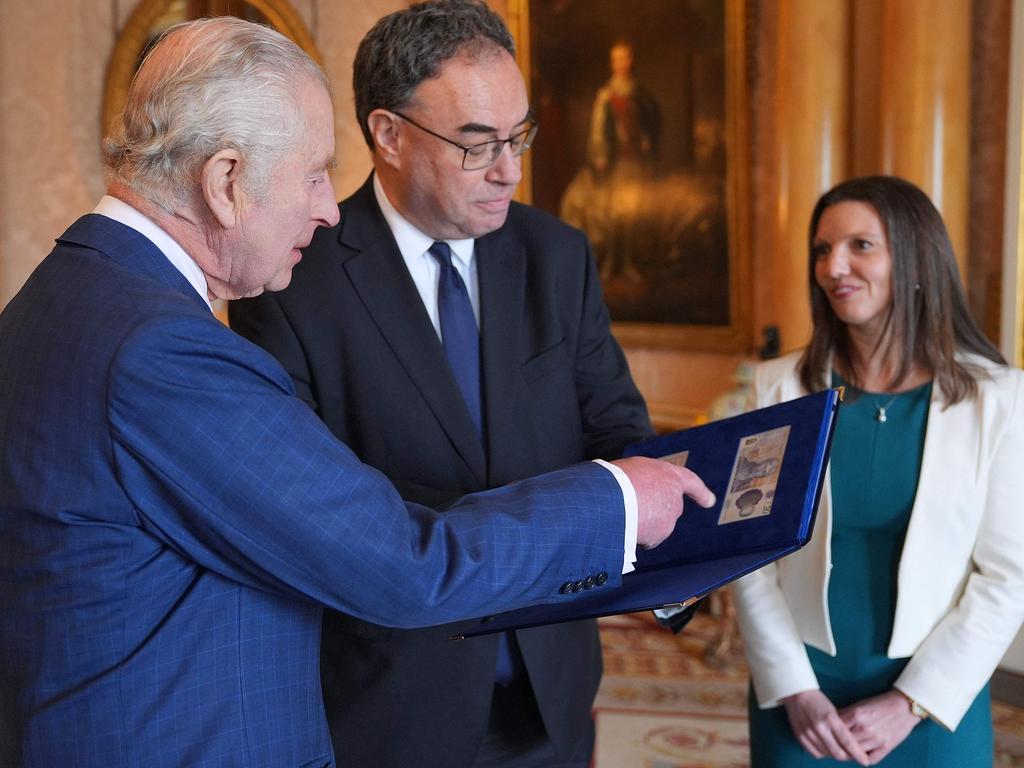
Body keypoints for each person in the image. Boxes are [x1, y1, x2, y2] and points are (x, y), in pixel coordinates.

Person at [0, 17, 718, 768]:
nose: (327, 205)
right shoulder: (163, 352)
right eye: (313, 174)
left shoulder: (67, 294)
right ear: (225, 181)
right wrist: (618, 501)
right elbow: (400, 562)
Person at [229, 3, 658, 767]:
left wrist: (680, 548)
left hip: (552, 699)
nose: (511, 170)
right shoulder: (291, 281)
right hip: (391, 709)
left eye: (518, 134)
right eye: (476, 144)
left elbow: (616, 430)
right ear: (388, 134)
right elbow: (313, 521)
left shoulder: (555, 255)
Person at [732, 176, 1024, 767]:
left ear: (915, 257)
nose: (834, 265)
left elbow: (1007, 576)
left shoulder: (1000, 398)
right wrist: (795, 689)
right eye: (822, 249)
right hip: (801, 699)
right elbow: (748, 551)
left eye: (860, 245)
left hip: (933, 700)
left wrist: (911, 702)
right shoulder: (776, 388)